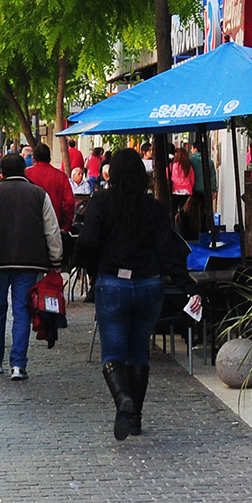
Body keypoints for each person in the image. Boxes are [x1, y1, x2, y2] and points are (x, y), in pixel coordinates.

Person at [77, 147, 189, 439]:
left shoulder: (101, 203)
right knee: (139, 351)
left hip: (112, 282)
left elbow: (88, 241)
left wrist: (92, 270)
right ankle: (135, 416)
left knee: (112, 352)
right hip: (148, 284)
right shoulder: (153, 208)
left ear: (111, 173)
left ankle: (121, 400)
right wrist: (187, 284)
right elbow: (168, 250)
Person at [0, 154, 62, 379]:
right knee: (22, 311)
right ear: (25, 170)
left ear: (2, 172)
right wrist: (56, 260)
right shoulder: (39, 194)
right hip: (29, 262)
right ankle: (18, 364)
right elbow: (52, 230)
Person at [28, 146, 76, 230]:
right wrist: (68, 223)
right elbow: (70, 201)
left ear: (33, 159)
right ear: (50, 159)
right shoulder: (61, 176)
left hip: (30, 221)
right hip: (55, 221)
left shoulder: (26, 174)